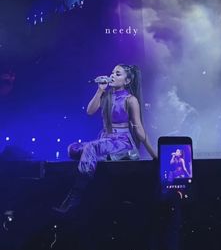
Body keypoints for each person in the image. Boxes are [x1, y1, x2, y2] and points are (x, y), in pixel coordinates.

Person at [54, 64, 157, 213]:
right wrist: (100, 90)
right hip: (106, 139)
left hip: (122, 142)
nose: (113, 75)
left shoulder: (130, 100)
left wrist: (154, 155)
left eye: (118, 73)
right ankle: (103, 158)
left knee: (91, 148)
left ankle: (76, 194)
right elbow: (90, 111)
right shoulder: (107, 95)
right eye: (112, 73)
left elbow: (139, 129)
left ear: (127, 81)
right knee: (73, 149)